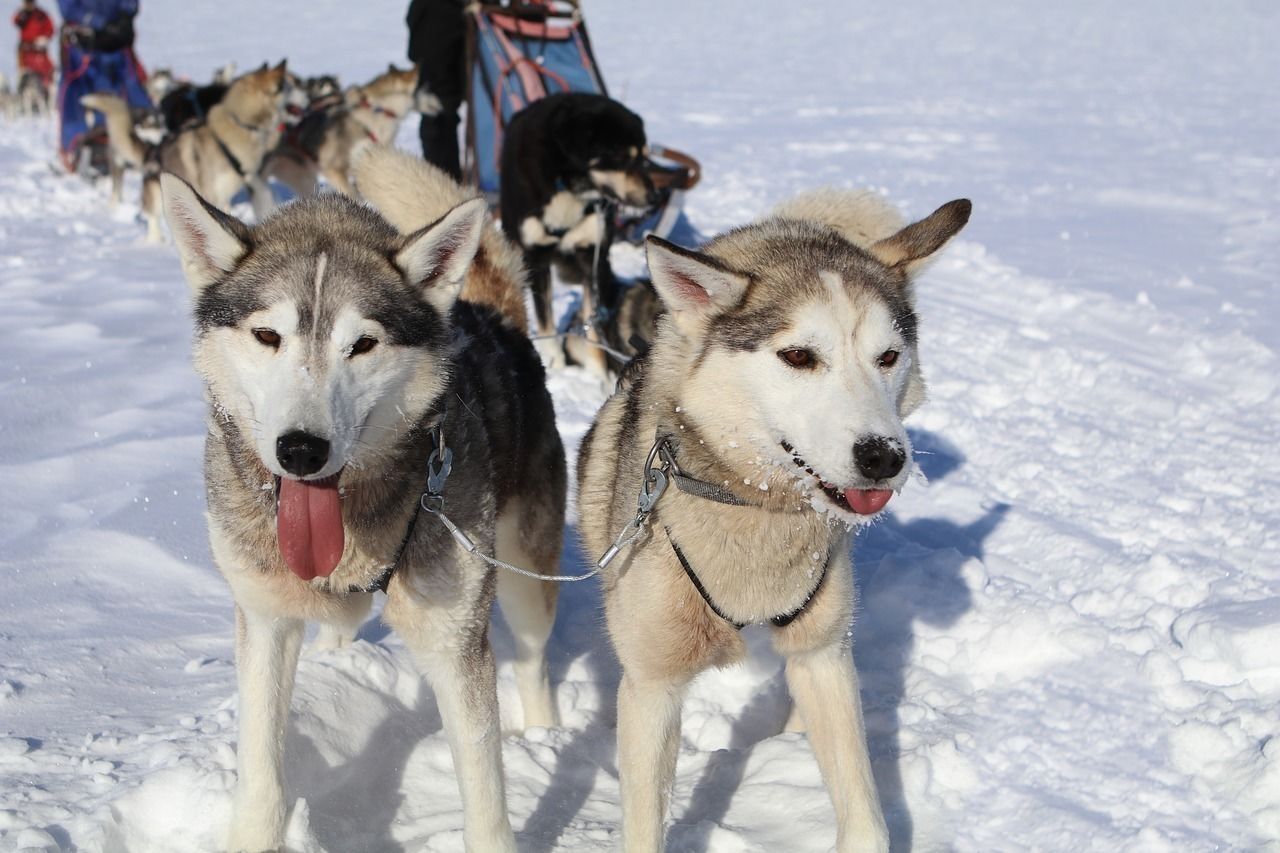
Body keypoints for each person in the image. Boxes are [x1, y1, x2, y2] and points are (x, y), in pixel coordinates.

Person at [56, 0, 151, 172]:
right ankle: (76, 149)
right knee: (75, 98)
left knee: (124, 92)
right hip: (81, 46)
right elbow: (69, 8)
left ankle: (129, 141)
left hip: (114, 44)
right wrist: (100, 22)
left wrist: (125, 17)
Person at [406, 0, 466, 180]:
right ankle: (443, 180)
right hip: (439, 24)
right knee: (438, 107)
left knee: (442, 108)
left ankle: (445, 178)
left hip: (442, 22)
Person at [13, 0, 55, 92]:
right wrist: (23, 14)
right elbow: (15, 21)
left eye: (30, 2)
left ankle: (47, 91)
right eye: (26, 2)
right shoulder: (22, 14)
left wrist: (45, 38)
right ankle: (21, 93)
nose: (29, 5)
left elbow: (51, 29)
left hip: (39, 50)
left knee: (46, 72)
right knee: (24, 74)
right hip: (25, 51)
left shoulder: (41, 15)